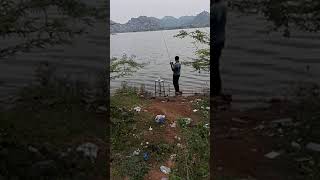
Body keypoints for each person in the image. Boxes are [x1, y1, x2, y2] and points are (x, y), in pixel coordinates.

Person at [211, 0, 227, 96]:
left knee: (214, 68)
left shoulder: (216, 8)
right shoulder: (223, 6)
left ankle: (216, 92)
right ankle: (217, 91)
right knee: (215, 67)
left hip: (215, 42)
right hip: (220, 40)